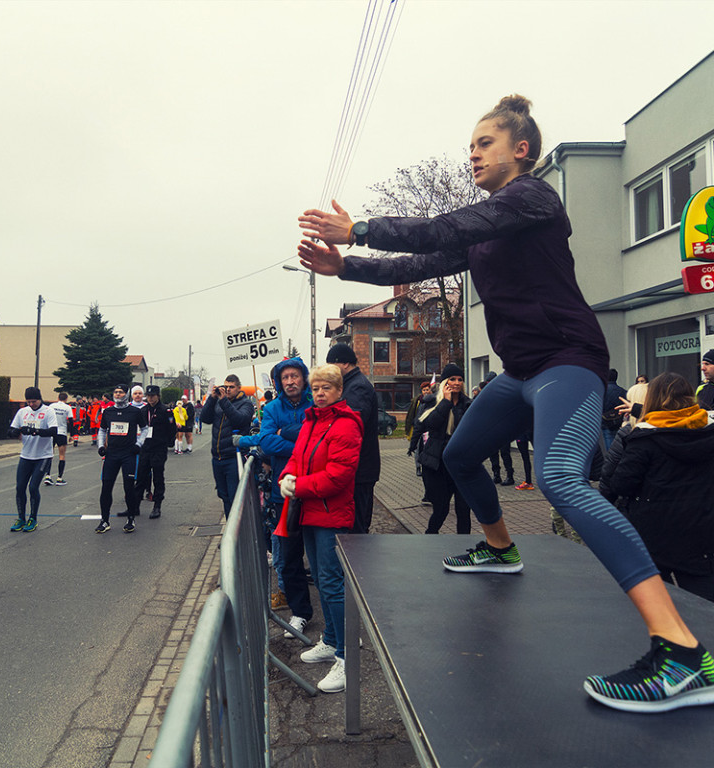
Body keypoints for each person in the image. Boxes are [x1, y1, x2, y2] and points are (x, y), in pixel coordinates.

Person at [296, 93, 714, 712]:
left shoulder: (533, 199)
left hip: (568, 362)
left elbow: (444, 227)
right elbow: (422, 256)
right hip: (519, 374)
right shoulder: (489, 232)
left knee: (560, 479)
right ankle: (499, 547)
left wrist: (357, 226)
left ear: (521, 149)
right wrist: (344, 266)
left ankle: (682, 653)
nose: (471, 155)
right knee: (460, 454)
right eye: (468, 147)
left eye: (482, 144)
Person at [275, 364, 362, 694]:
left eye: (327, 387)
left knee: (331, 583)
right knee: (324, 583)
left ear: (340, 390)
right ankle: (331, 640)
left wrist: (299, 486)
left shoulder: (346, 424)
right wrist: (288, 475)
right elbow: (298, 456)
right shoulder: (313, 419)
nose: (320, 392)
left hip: (331, 514)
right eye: (317, 387)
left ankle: (346, 655)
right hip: (310, 512)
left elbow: (339, 475)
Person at [602, 373, 714, 603]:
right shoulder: (708, 433)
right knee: (703, 609)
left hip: (654, 537)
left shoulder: (644, 439)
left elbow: (622, 483)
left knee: (660, 607)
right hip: (702, 536)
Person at [259, 357, 314, 638]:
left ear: (303, 378)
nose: (290, 382)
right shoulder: (271, 408)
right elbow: (265, 441)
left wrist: (288, 435)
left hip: (316, 491)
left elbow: (322, 436)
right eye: (285, 378)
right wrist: (304, 442)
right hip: (285, 494)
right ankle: (301, 612)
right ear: (279, 383)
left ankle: (336, 615)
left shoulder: (315, 404)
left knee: (320, 559)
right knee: (290, 558)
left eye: (295, 376)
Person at [326, 343, 381, 534]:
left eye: (331, 366)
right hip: (357, 469)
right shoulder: (350, 385)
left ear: (345, 363)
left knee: (357, 526)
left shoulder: (357, 387)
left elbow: (350, 424)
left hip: (360, 471)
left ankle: (359, 564)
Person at [412, 363, 473, 535]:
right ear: (445, 382)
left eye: (460, 379)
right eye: (452, 379)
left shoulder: (468, 405)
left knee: (463, 510)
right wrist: (446, 402)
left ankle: (463, 545)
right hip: (437, 467)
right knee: (441, 510)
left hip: (459, 467)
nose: (456, 383)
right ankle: (430, 536)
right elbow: (429, 424)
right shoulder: (434, 403)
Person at [200, 374, 255, 518]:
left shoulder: (246, 404)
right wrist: (212, 399)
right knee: (223, 495)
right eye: (226, 386)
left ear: (238, 388)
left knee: (234, 496)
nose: (228, 390)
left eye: (231, 387)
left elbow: (240, 420)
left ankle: (237, 534)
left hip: (233, 457)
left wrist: (224, 400)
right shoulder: (218, 402)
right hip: (217, 457)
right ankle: (229, 530)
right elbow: (205, 418)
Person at [95, 384, 147, 533]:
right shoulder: (108, 411)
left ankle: (131, 518)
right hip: (112, 453)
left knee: (128, 487)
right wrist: (100, 446)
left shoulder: (134, 412)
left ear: (127, 394)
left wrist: (138, 444)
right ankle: (104, 520)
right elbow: (102, 430)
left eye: (121, 392)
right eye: (116, 392)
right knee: (106, 487)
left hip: (128, 453)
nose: (118, 394)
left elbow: (144, 429)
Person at [7, 387, 57, 533]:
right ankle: (21, 518)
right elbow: (11, 430)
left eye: (34, 401)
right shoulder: (22, 412)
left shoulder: (48, 411)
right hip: (26, 455)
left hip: (43, 456)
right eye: (28, 401)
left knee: (33, 487)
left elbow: (53, 431)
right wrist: (15, 432)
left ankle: (33, 518)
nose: (31, 404)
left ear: (39, 399)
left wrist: (35, 431)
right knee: (20, 487)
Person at [135, 385, 176, 519]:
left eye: (153, 396)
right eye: (148, 396)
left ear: (158, 396)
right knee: (141, 476)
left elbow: (172, 428)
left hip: (159, 448)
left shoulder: (166, 410)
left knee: (158, 477)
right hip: (145, 448)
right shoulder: (143, 410)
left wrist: (169, 442)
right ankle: (135, 505)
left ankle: (157, 505)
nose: (150, 398)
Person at [44, 392, 75, 486]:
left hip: (51, 432)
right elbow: (71, 421)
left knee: (50, 454)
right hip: (61, 432)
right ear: (66, 399)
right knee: (62, 455)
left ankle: (48, 476)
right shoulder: (67, 407)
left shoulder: (51, 406)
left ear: (58, 397)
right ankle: (59, 478)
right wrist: (72, 435)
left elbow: (46, 417)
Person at [602, 369, 629, 449]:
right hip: (619, 420)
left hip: (605, 421)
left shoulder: (602, 391)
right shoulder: (623, 391)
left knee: (609, 444)